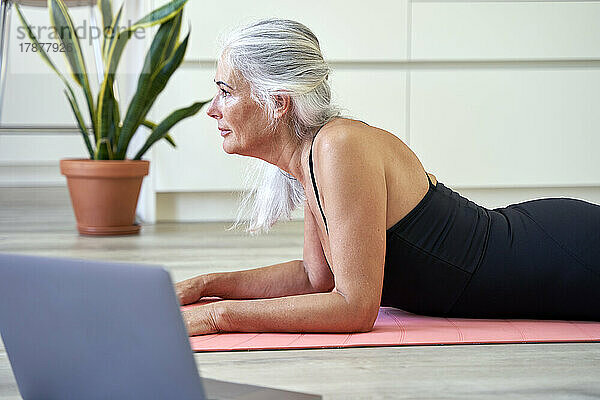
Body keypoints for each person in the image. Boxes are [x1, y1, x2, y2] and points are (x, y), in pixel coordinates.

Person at [175, 18, 600, 336]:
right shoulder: (313, 156)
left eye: (226, 91)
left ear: (278, 102)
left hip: (562, 254)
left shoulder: (339, 146)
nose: (212, 108)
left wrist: (218, 316)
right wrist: (205, 287)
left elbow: (354, 308)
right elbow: (314, 278)